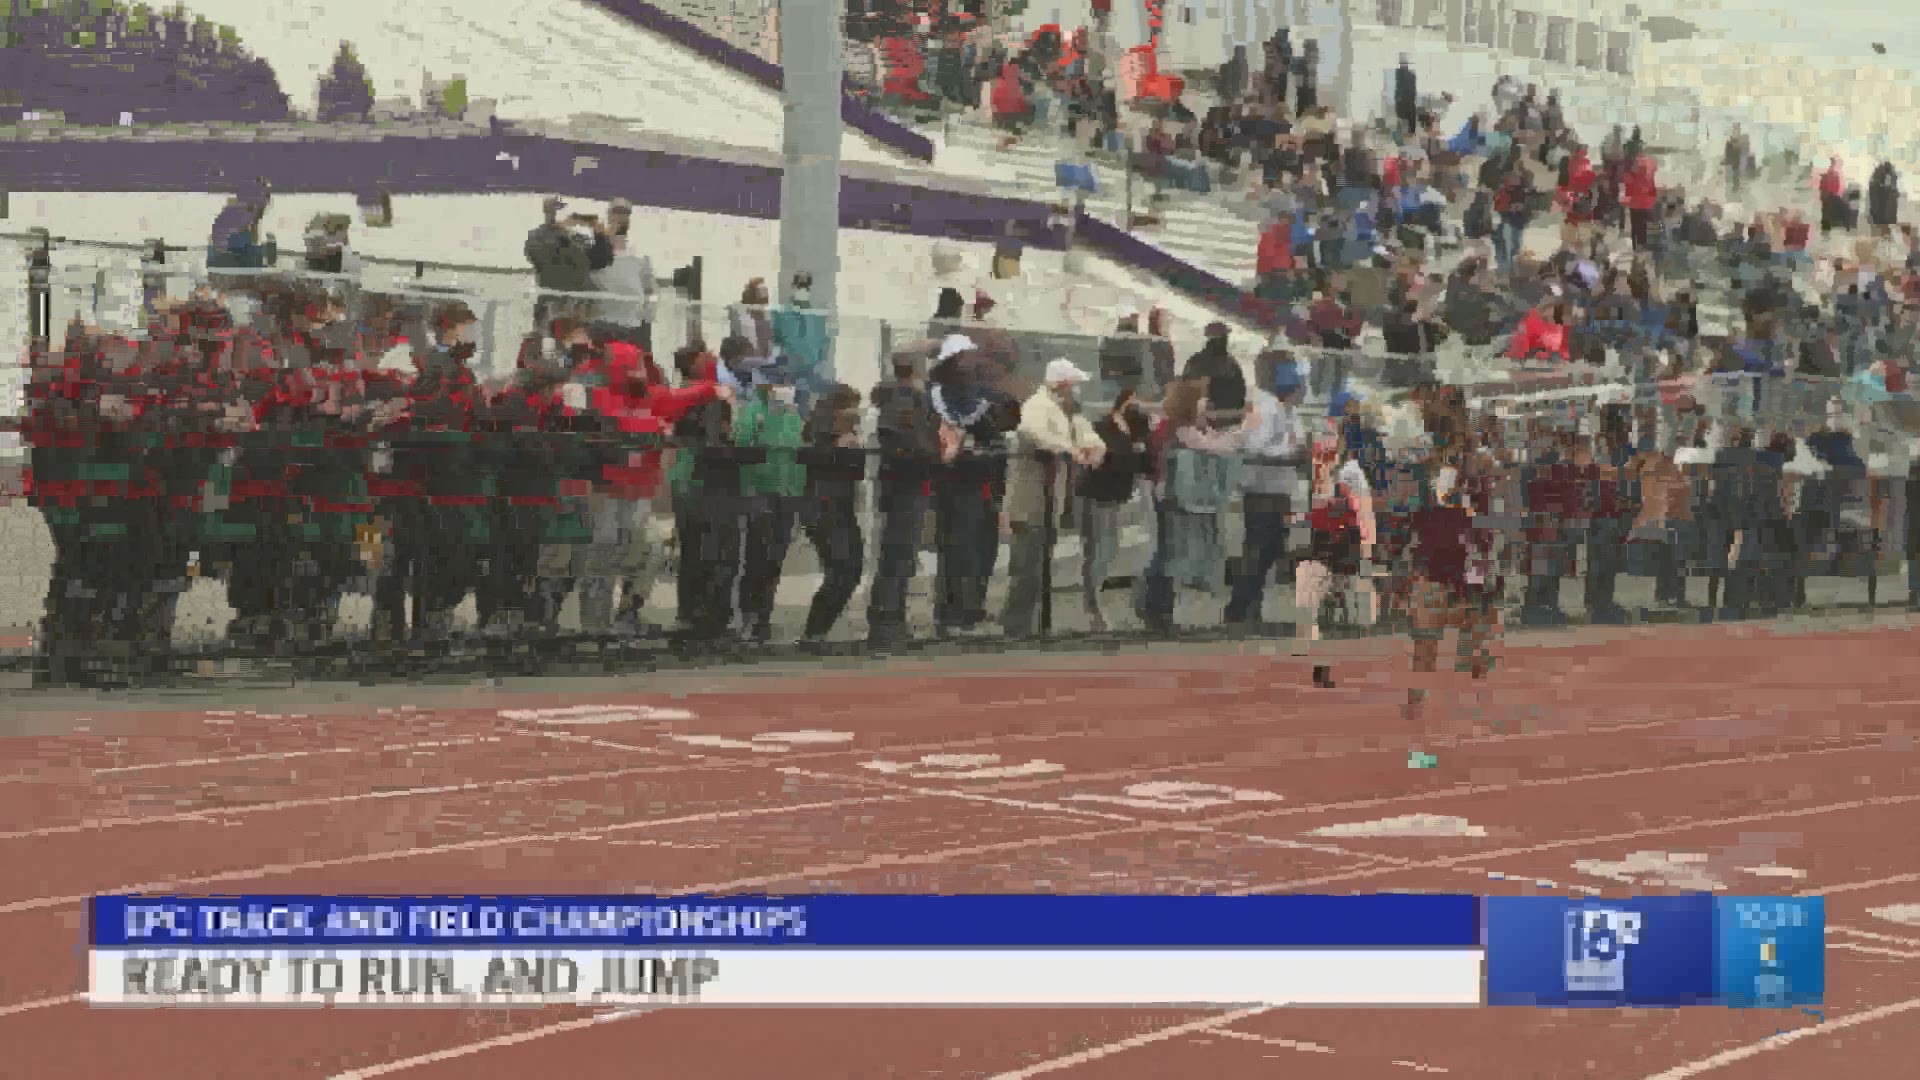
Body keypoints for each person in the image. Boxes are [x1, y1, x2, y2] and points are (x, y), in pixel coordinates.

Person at [1000, 359, 1104, 637]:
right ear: (1062, 385)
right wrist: (1070, 450)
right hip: (1030, 498)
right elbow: (1038, 434)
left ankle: (1033, 625)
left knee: (1040, 564)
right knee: (1027, 566)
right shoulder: (1037, 407)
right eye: (1073, 385)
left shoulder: (1069, 411)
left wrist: (1093, 448)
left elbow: (1087, 434)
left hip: (1051, 498)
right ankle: (1016, 626)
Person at [1297, 391, 1378, 687]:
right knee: (1327, 595)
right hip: (1330, 534)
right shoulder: (1329, 463)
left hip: (1341, 535)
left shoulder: (1345, 467)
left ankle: (1325, 658)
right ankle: (1322, 660)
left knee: (1336, 594)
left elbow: (1360, 505)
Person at [867, 347, 945, 645]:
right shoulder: (900, 401)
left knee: (903, 552)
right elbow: (899, 443)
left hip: (912, 482)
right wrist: (926, 455)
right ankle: (887, 617)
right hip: (903, 484)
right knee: (898, 551)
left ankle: (892, 614)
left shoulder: (915, 401)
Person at [1224, 354, 1307, 627]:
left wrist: (1298, 453)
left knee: (1273, 548)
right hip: (1261, 491)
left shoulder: (1291, 414)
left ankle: (1250, 604)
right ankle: (1240, 606)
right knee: (1258, 549)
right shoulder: (1266, 411)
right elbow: (1256, 448)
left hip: (1280, 490)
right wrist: (1288, 454)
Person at [798, 383, 868, 645]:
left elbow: (857, 471)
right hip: (824, 508)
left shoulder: (845, 435)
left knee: (849, 568)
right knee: (842, 567)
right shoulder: (821, 436)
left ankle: (820, 627)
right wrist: (843, 447)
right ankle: (815, 629)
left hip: (839, 507)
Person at [1076, 390, 1152, 632]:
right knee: (1100, 551)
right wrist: (1134, 452)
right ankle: (1093, 608)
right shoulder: (1104, 427)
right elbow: (1110, 460)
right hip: (1097, 495)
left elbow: (1142, 463)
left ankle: (1094, 605)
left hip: (1112, 496)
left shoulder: (1135, 430)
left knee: (1105, 551)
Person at [1182, 322, 1248, 417]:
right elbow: (1240, 392)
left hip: (1199, 417)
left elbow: (1185, 389)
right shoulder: (1231, 363)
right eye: (1225, 337)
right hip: (1227, 417)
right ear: (1223, 339)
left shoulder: (1194, 361)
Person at [1393, 55, 1418, 138]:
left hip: (1405, 103)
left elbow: (1412, 90)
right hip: (1406, 103)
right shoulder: (1408, 75)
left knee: (1405, 123)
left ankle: (1405, 136)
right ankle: (1406, 135)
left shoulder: (1402, 74)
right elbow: (1412, 90)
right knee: (1406, 123)